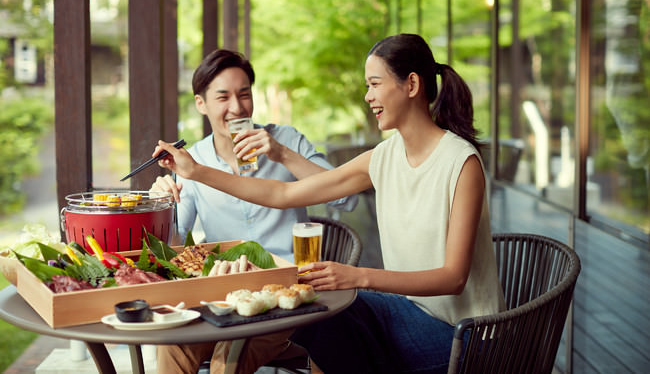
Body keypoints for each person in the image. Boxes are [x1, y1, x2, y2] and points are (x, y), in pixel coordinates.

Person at [154, 34, 506, 373]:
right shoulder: (383, 157)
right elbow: (283, 195)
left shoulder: (461, 162)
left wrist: (358, 277)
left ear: (411, 85)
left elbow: (454, 277)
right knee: (319, 313)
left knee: (328, 315)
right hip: (406, 311)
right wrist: (197, 172)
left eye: (374, 83)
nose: (367, 96)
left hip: (464, 336)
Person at [153, 48, 357, 374]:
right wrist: (161, 203)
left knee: (228, 358)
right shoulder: (193, 161)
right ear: (201, 104)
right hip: (222, 293)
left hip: (286, 291)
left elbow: (346, 199)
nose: (236, 108)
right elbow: (175, 244)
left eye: (244, 94)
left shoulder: (284, 139)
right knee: (173, 345)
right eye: (223, 97)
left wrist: (282, 155)